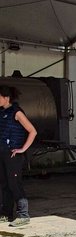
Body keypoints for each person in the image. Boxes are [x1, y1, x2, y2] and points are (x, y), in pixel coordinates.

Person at [0, 85, 37, 227]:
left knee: (14, 183)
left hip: (13, 154)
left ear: (6, 98)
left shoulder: (17, 112)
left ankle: (23, 214)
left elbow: (32, 131)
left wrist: (22, 149)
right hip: (2, 153)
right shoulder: (2, 112)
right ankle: (6, 214)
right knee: (4, 183)